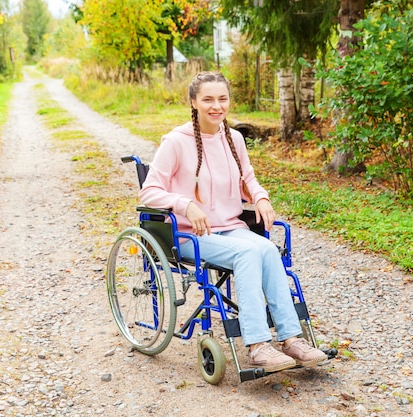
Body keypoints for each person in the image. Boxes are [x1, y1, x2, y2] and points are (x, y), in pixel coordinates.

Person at [138, 71, 327, 373]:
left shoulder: (234, 138)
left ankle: (291, 338)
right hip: (190, 236)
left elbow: (247, 179)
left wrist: (261, 197)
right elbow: (149, 191)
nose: (217, 106)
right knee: (248, 253)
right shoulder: (176, 142)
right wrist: (185, 204)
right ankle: (257, 346)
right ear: (194, 102)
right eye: (208, 99)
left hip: (230, 228)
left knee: (266, 248)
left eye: (222, 99)